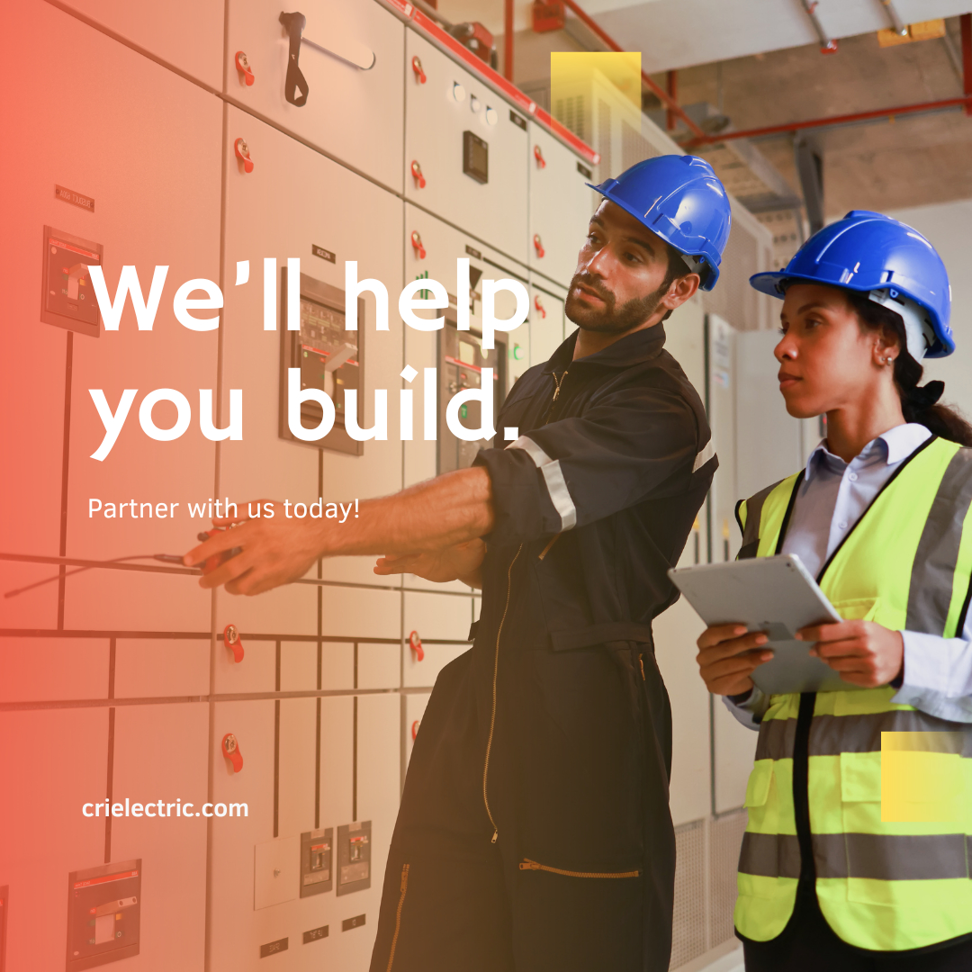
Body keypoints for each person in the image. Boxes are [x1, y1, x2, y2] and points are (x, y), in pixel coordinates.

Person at [188, 155, 732, 971]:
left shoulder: (660, 405)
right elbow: (513, 537)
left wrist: (315, 527)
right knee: (428, 930)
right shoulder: (542, 384)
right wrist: (449, 556)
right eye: (595, 239)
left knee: (575, 943)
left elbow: (505, 494)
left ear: (677, 291)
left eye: (632, 254)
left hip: (585, 720)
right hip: (487, 694)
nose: (594, 263)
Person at [695, 210, 972, 971]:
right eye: (785, 325)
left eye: (811, 323)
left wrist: (905, 658)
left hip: (914, 906)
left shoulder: (967, 490)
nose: (783, 346)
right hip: (783, 906)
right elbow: (782, 703)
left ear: (887, 341)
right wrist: (736, 683)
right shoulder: (768, 509)